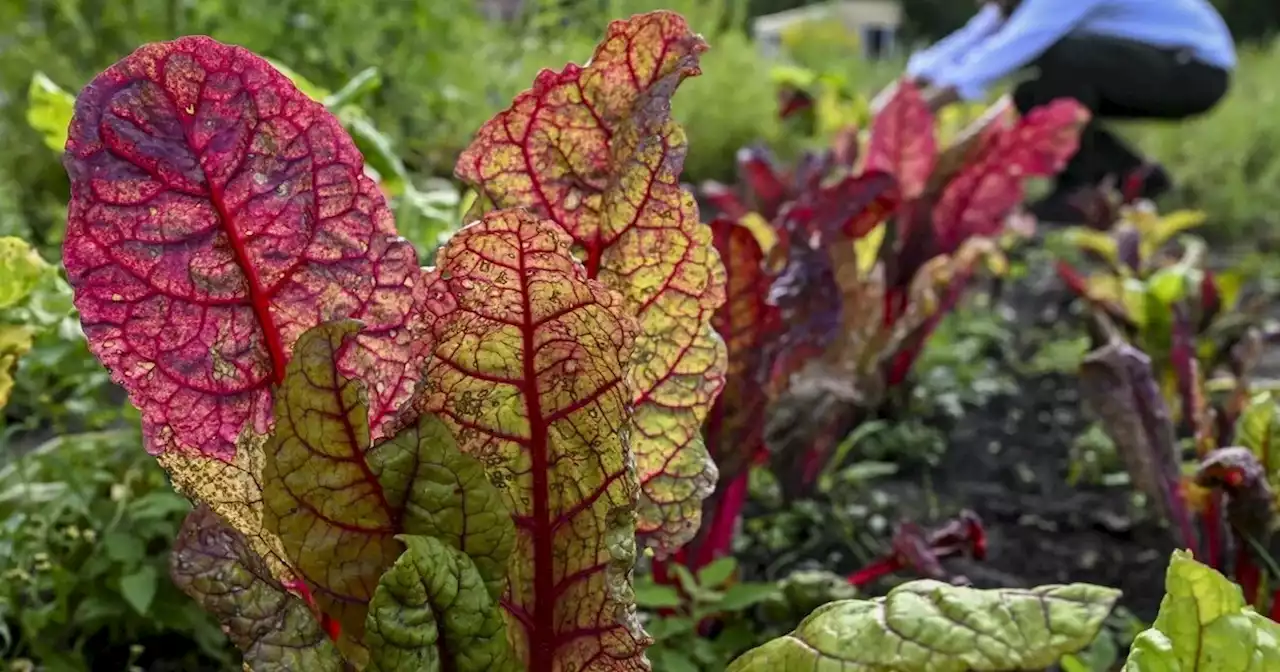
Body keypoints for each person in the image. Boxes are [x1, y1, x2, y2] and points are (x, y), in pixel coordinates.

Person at [905, 0, 1235, 223]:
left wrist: (924, 107)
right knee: (1033, 96)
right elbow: (973, 38)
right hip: (1163, 62)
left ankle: (1078, 191)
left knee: (1064, 58)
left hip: (1195, 70)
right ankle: (1135, 175)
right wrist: (901, 96)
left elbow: (1014, 44)